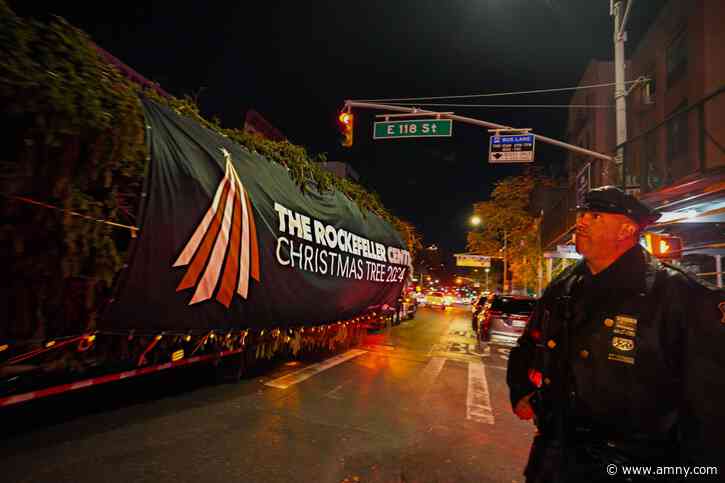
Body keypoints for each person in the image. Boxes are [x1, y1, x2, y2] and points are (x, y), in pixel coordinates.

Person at [507, 186, 725, 482]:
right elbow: (528, 346)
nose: (581, 222)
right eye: (583, 214)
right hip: (556, 458)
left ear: (626, 229)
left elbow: (709, 406)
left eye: (595, 216)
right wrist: (522, 391)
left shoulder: (678, 294)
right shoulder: (563, 288)